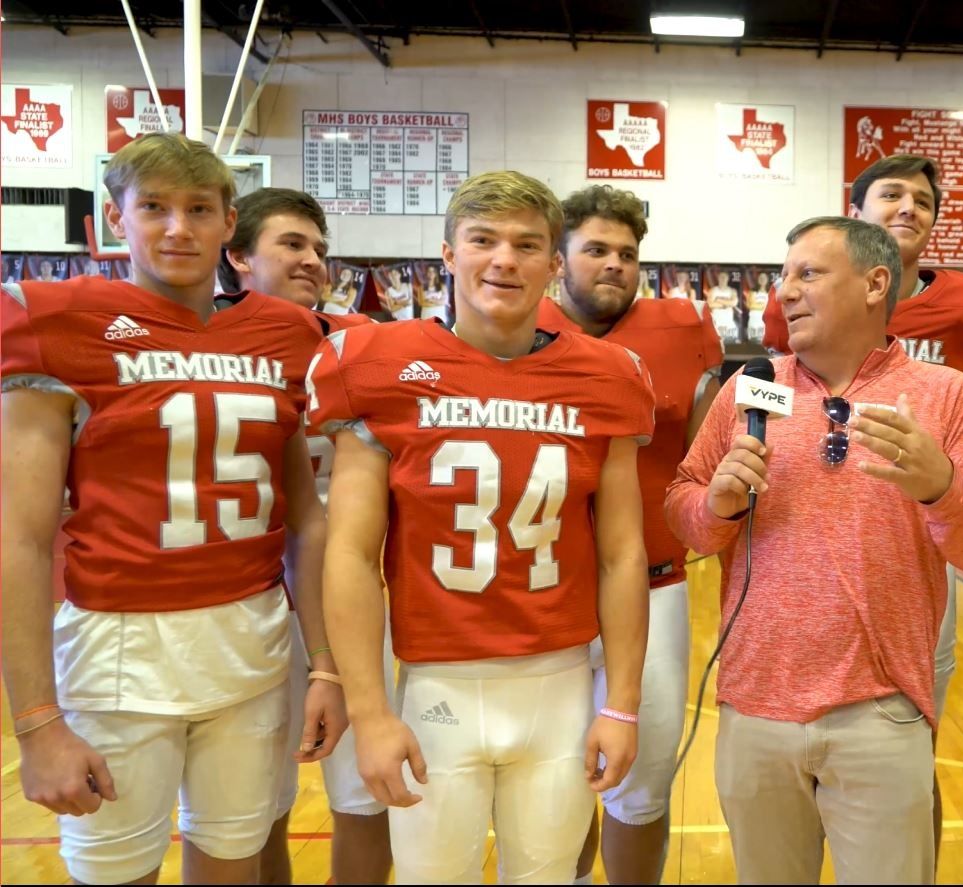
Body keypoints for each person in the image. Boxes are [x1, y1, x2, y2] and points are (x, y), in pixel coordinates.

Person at [1, 131, 344, 885]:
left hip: (252, 639)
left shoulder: (284, 332)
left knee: (234, 865)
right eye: (153, 207)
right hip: (119, 648)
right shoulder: (57, 321)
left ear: (229, 223)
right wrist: (36, 722)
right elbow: (18, 540)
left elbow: (305, 519)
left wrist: (326, 664)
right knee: (117, 874)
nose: (177, 228)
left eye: (198, 209)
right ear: (115, 218)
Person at [309, 170, 656, 884]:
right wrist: (370, 713)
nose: (504, 259)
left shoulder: (609, 375)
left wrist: (621, 705)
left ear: (553, 263)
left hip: (559, 680)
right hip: (436, 682)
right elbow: (350, 553)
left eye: (527, 245)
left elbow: (623, 554)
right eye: (483, 240)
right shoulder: (377, 365)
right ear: (447, 254)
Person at [665, 216, 963, 884]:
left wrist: (942, 486)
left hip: (881, 710)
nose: (786, 292)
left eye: (808, 274)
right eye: (783, 276)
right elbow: (686, 514)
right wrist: (714, 505)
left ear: (875, 284)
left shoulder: (945, 394)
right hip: (754, 709)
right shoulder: (750, 388)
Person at [760, 153, 963, 857]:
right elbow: (783, 391)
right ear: (857, 215)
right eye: (892, 195)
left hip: (923, 530)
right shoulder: (800, 297)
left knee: (910, 739)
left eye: (923, 201)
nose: (909, 209)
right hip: (816, 522)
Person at [539, 183, 723, 885]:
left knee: (641, 789)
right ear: (559, 259)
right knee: (553, 783)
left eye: (627, 252)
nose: (614, 263)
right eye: (596, 250)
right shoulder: (514, 327)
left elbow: (705, 460)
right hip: (542, 591)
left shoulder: (681, 331)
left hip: (653, 586)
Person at [220, 186, 394, 886]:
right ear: (238, 255)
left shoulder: (364, 342)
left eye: (320, 248)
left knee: (367, 791)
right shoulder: (199, 343)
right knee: (253, 803)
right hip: (250, 595)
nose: (313, 260)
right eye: (292, 244)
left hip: (355, 587)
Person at [706, 268, 741, 344]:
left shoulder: (732, 291)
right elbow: (709, 304)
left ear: (728, 278)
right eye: (721, 277)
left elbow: (734, 303)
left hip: (729, 323)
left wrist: (718, 300)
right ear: (718, 278)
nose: (723, 279)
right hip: (716, 322)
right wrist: (726, 304)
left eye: (725, 277)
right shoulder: (713, 290)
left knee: (732, 344)